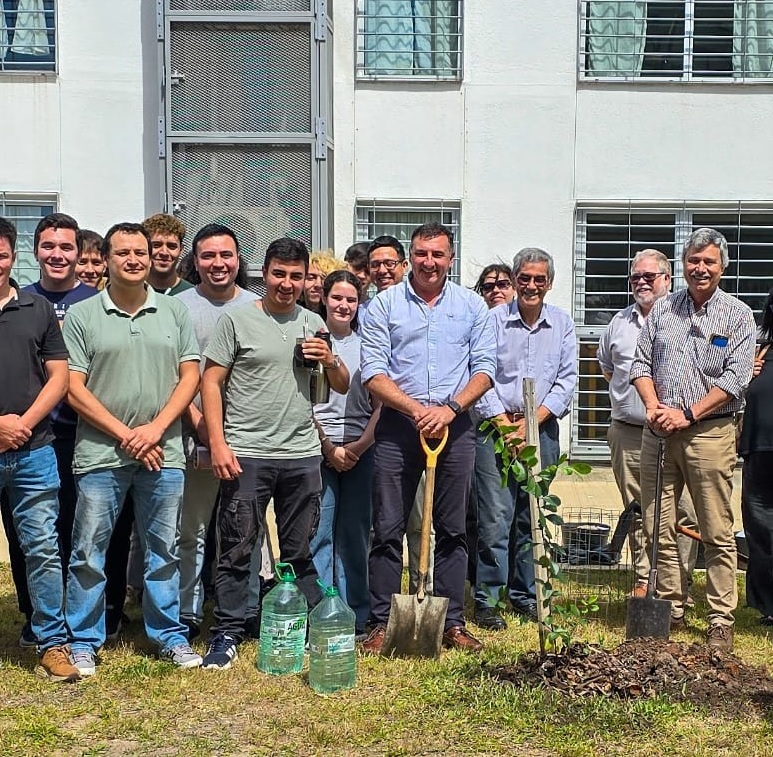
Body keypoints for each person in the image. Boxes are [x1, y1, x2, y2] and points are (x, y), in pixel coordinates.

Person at [200, 237, 349, 669]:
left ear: (307, 280)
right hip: (246, 452)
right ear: (264, 274)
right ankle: (226, 633)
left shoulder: (313, 323)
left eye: (296, 276)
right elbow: (211, 383)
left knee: (298, 550)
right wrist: (218, 443)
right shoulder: (237, 321)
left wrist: (332, 360)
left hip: (301, 454)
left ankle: (302, 629)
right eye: (279, 274)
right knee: (236, 549)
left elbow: (337, 386)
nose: (287, 284)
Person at [62, 222, 202, 675]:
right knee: (89, 550)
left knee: (164, 549)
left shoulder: (174, 312)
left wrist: (156, 429)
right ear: (105, 259)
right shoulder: (83, 316)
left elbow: (190, 376)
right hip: (102, 455)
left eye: (140, 252)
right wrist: (128, 436)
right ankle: (83, 639)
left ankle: (168, 635)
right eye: (123, 252)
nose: (135, 259)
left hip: (164, 451)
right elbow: (72, 388)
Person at [360, 222, 496, 653]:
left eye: (438, 254)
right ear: (409, 258)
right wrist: (418, 410)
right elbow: (373, 374)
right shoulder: (384, 306)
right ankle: (382, 623)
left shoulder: (472, 307)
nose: (429, 262)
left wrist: (450, 409)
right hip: (400, 426)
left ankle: (452, 621)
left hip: (454, 427)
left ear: (450, 259)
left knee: (453, 528)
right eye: (421, 253)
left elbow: (485, 370)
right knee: (386, 528)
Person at [631, 227, 756, 650]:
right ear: (683, 265)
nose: (700, 268)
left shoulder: (738, 316)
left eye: (709, 262)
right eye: (693, 261)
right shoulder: (663, 310)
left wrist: (688, 413)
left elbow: (736, 378)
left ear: (723, 267)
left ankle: (721, 617)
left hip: (709, 433)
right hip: (659, 432)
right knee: (657, 526)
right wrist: (653, 408)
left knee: (716, 529)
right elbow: (639, 364)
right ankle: (670, 607)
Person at [0, 212, 96, 649]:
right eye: (49, 246)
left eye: (66, 247)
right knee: (28, 540)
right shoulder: (34, 299)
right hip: (29, 439)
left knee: (67, 537)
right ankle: (32, 615)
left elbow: (62, 376)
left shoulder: (86, 302)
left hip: (67, 437)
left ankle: (71, 622)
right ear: (34, 252)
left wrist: (22, 424)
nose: (57, 255)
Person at [472, 249, 576, 629]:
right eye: (525, 278)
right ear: (515, 280)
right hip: (494, 428)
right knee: (495, 516)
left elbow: (567, 380)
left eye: (540, 279)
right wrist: (505, 424)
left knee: (531, 514)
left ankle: (526, 594)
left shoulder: (562, 324)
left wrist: (533, 422)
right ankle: (488, 599)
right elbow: (480, 373)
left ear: (550, 283)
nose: (532, 285)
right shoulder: (492, 321)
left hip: (542, 429)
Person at [597, 250, 698, 601]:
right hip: (629, 431)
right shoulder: (618, 324)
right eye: (635, 277)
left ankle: (677, 581)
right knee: (640, 511)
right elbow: (609, 369)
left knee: (683, 512)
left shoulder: (684, 316)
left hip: (679, 430)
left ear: (667, 279)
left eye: (649, 276)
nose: (641, 282)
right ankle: (645, 579)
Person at [174, 224, 259, 640]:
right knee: (191, 530)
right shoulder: (178, 307)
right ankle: (188, 612)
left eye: (226, 255)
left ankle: (247, 610)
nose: (218, 263)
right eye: (208, 256)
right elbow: (175, 377)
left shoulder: (258, 306)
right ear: (195, 261)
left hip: (249, 439)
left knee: (247, 531)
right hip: (195, 437)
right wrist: (205, 430)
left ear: (239, 259)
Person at [310, 270, 380, 635]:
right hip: (317, 448)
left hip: (360, 449)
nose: (344, 305)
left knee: (355, 532)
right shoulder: (312, 341)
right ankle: (323, 610)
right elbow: (303, 402)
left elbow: (380, 405)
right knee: (319, 532)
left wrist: (357, 446)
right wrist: (327, 448)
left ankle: (356, 613)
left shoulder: (368, 344)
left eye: (351, 300)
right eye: (337, 298)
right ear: (324, 298)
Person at [366, 234, 433, 593]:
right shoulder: (367, 309)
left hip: (425, 425)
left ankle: (424, 588)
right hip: (386, 429)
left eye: (389, 263)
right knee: (385, 523)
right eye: (375, 264)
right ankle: (383, 601)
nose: (382, 270)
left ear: (403, 266)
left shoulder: (423, 309)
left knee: (422, 521)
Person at [738, 287, 773, 625]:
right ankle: (767, 605)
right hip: (758, 447)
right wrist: (746, 375)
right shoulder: (762, 348)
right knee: (760, 528)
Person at [142, 213, 193, 296]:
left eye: (171, 246)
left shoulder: (191, 295)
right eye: (156, 245)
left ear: (181, 250)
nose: (164, 252)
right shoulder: (132, 292)